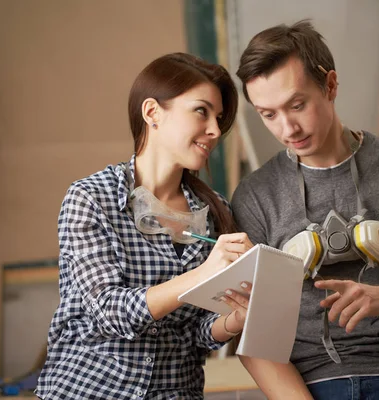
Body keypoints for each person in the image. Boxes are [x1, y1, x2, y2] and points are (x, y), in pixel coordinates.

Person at [231, 20, 379, 399]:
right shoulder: (255, 195)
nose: (287, 129)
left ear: (330, 85)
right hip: (310, 385)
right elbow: (255, 338)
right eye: (268, 114)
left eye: (297, 105)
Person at [36, 52, 253, 400]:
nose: (214, 130)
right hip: (89, 391)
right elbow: (109, 311)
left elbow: (195, 332)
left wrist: (234, 320)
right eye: (201, 111)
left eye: (219, 118)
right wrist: (202, 274)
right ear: (152, 112)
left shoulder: (215, 212)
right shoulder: (91, 198)